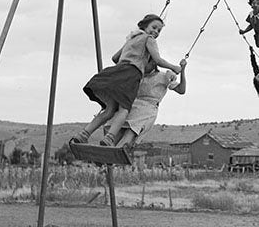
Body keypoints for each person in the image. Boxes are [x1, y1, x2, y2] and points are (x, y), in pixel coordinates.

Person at [71, 14, 183, 147]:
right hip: (130, 75)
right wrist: (174, 67)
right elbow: (158, 60)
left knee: (109, 110)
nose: (156, 32)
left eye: (159, 30)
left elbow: (114, 58)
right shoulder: (149, 39)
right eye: (154, 27)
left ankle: (83, 134)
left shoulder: (131, 39)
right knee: (124, 110)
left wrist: (131, 56)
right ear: (144, 26)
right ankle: (110, 138)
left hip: (116, 72)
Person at [116, 59, 188, 149]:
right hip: (133, 105)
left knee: (132, 128)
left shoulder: (164, 76)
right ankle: (106, 152)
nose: (143, 66)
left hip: (148, 108)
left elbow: (181, 90)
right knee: (116, 126)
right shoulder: (138, 77)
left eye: (146, 63)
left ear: (153, 63)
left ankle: (117, 150)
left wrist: (183, 69)